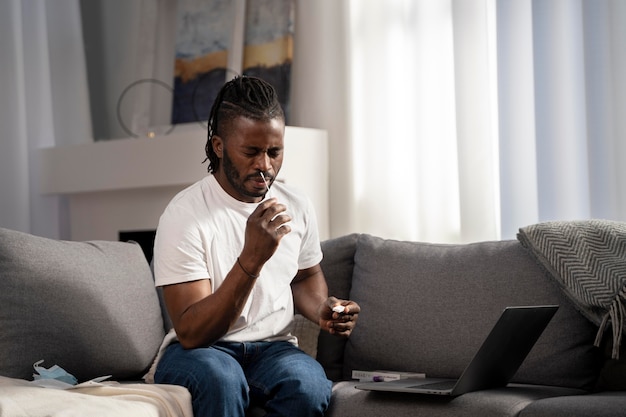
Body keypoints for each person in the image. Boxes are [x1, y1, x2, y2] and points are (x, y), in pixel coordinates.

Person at [152, 75, 360, 417]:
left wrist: (322, 308)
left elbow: (305, 276)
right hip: (201, 352)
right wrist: (251, 260)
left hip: (273, 349)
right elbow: (191, 331)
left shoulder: (296, 203)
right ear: (219, 147)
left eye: (274, 152)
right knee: (222, 378)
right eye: (251, 152)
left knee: (308, 385)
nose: (265, 166)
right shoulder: (184, 215)